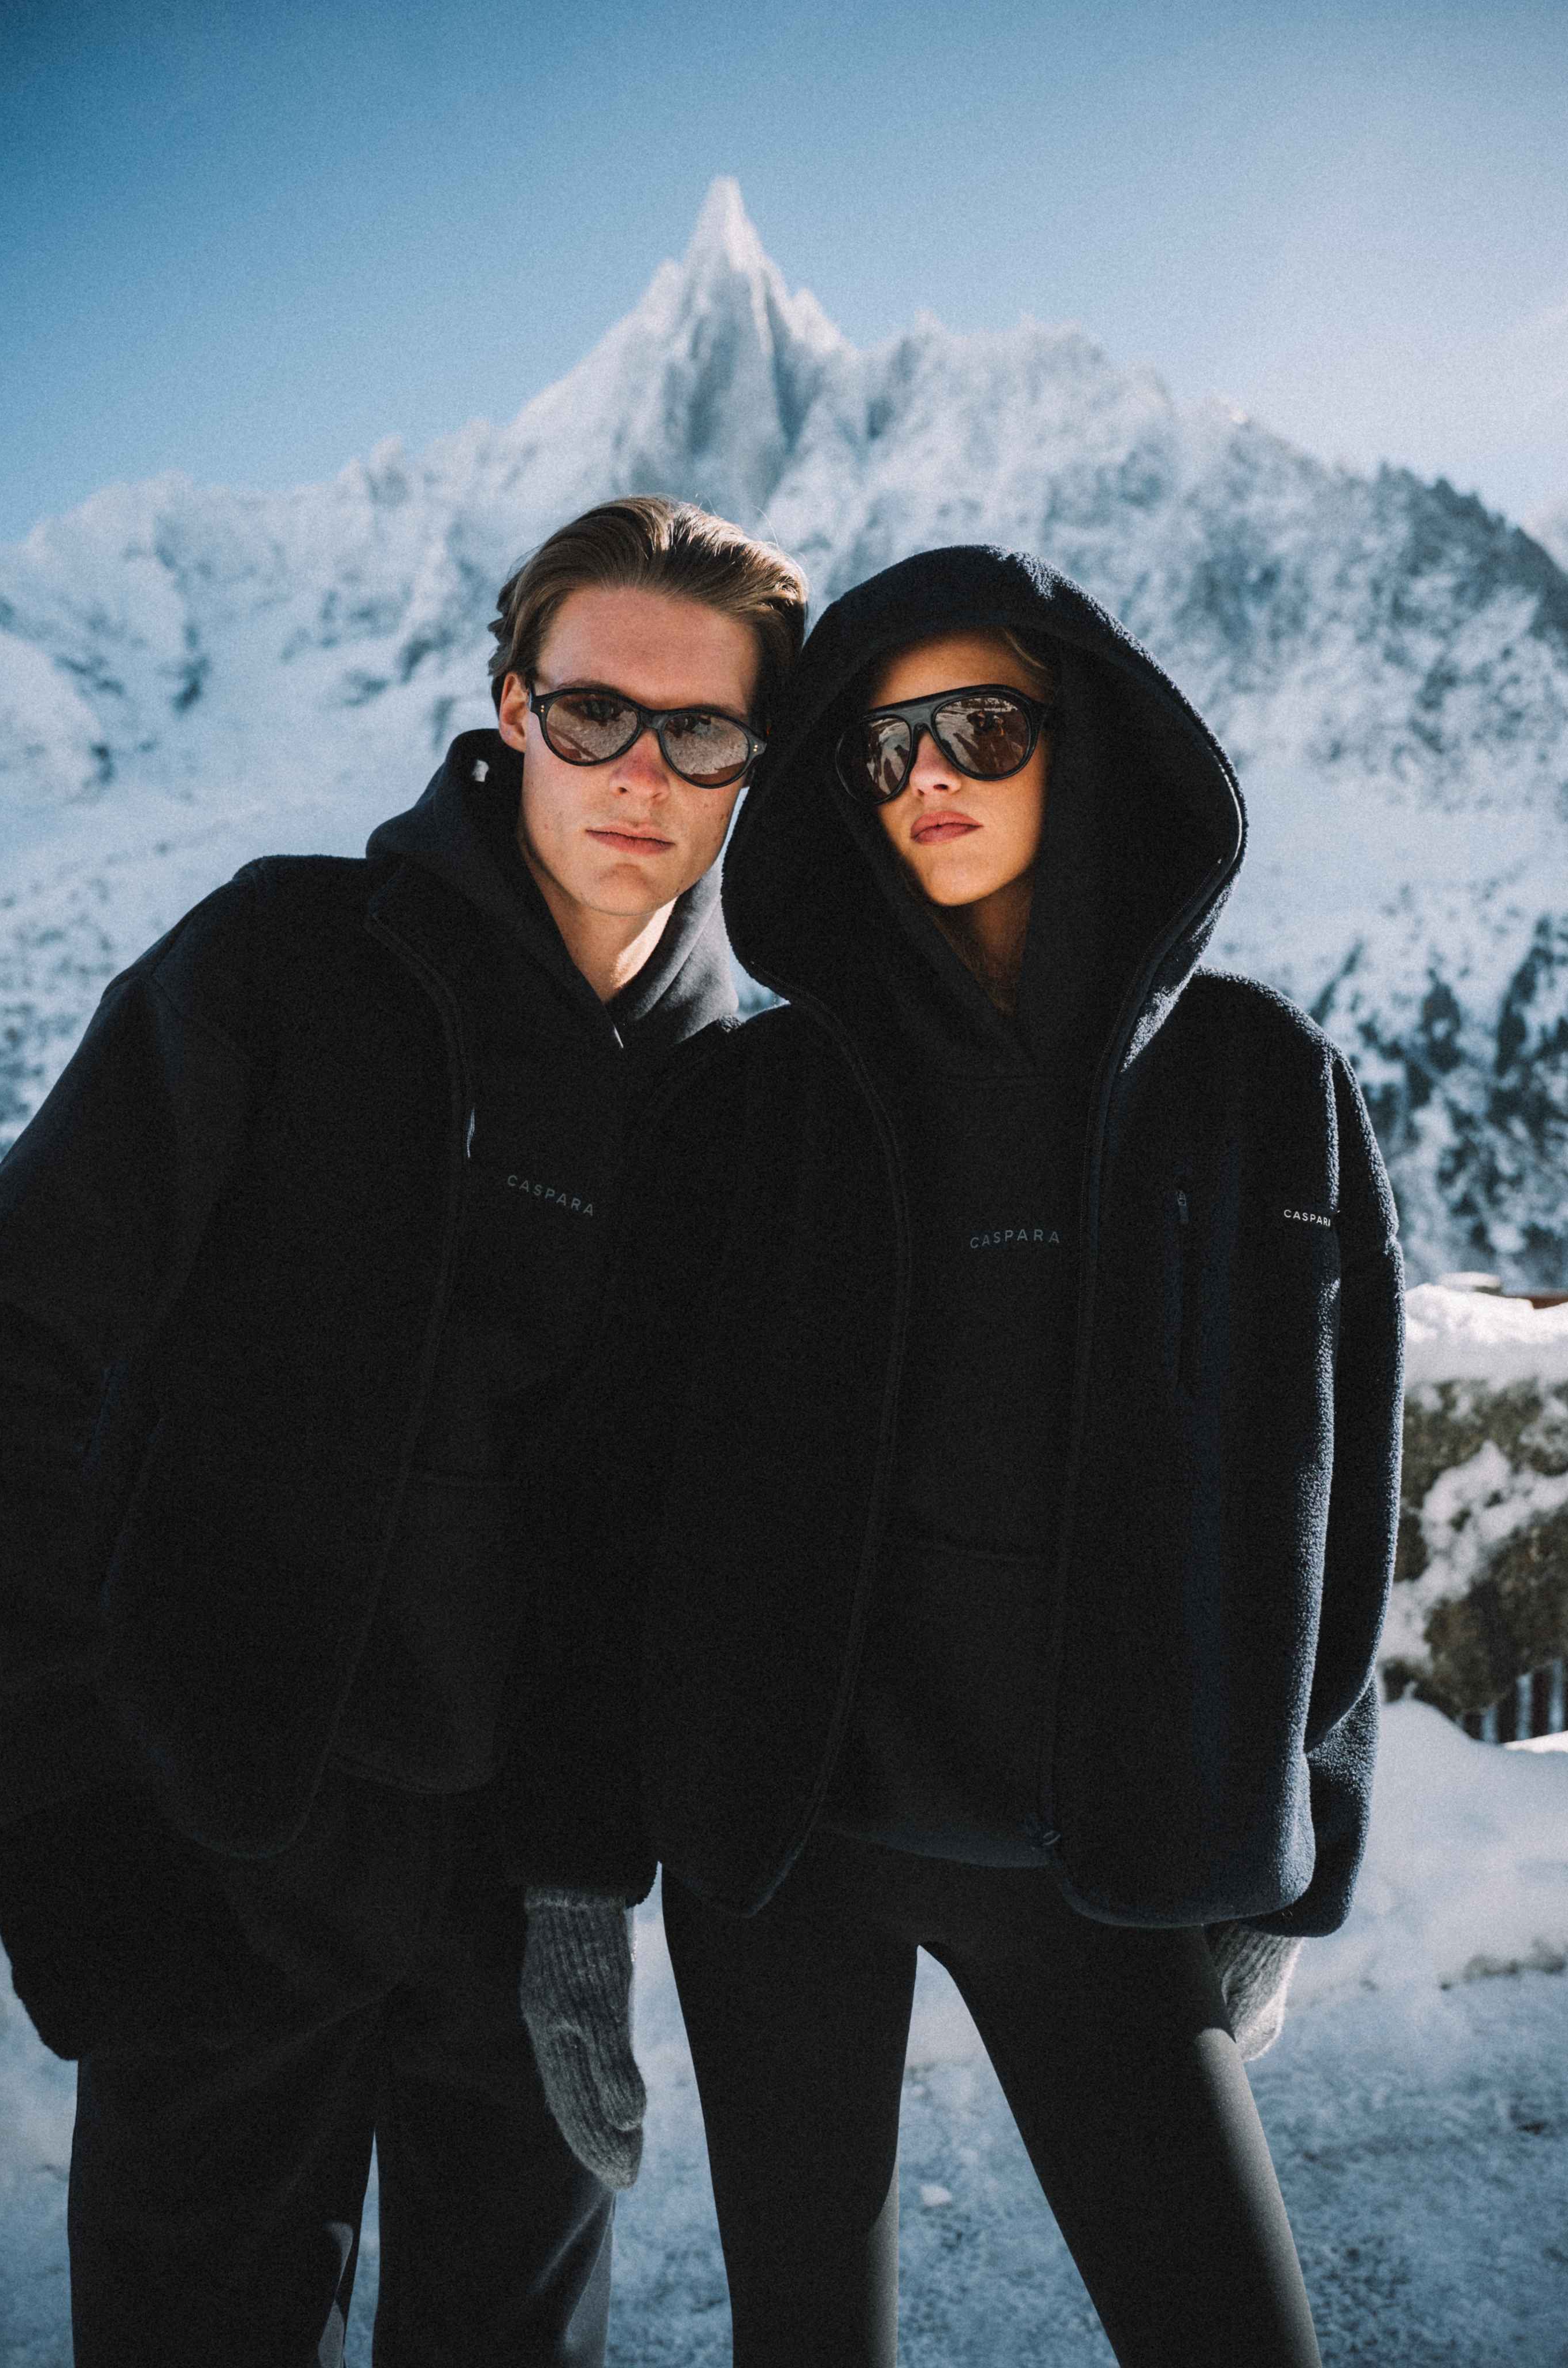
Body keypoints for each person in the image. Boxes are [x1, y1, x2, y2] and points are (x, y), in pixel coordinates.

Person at [516, 544, 1404, 2366]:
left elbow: (1334, 1491)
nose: (925, 777)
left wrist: (1299, 1857)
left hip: (1104, 1859)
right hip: (786, 1861)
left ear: (1085, 743)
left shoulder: (1259, 1086)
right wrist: (572, 1882)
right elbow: (613, 1513)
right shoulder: (746, 1108)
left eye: (981, 730)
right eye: (878, 748)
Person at [0, 494, 807, 2367]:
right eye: (595, 713)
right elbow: (17, 1352)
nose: (641, 771)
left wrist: (598, 1880)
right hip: (219, 1845)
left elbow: (702, 1527)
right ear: (512, 710)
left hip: (531, 1904)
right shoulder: (283, 962)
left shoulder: (742, 1095)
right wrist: (62, 1809)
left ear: (756, 765)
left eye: (702, 734)